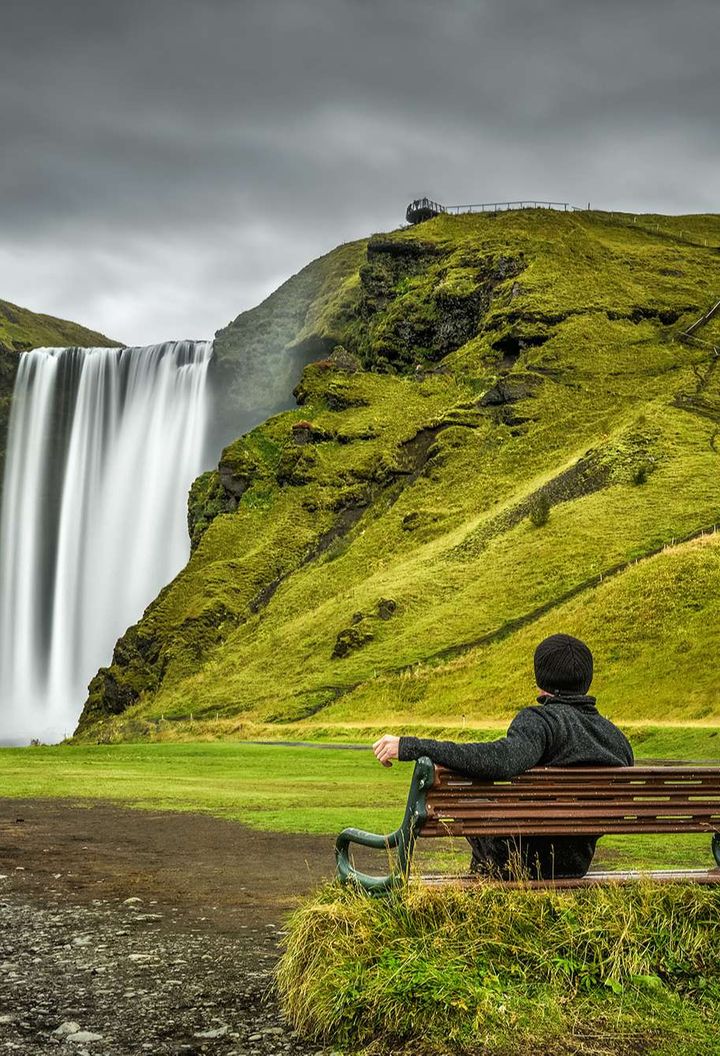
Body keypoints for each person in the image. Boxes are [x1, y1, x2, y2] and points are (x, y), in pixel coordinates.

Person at [372, 633, 633, 880]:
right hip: (576, 863)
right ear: (586, 679)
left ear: (540, 680)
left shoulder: (541, 722)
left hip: (518, 858)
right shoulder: (615, 738)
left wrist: (411, 746)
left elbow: (499, 761)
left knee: (475, 805)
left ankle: (482, 902)